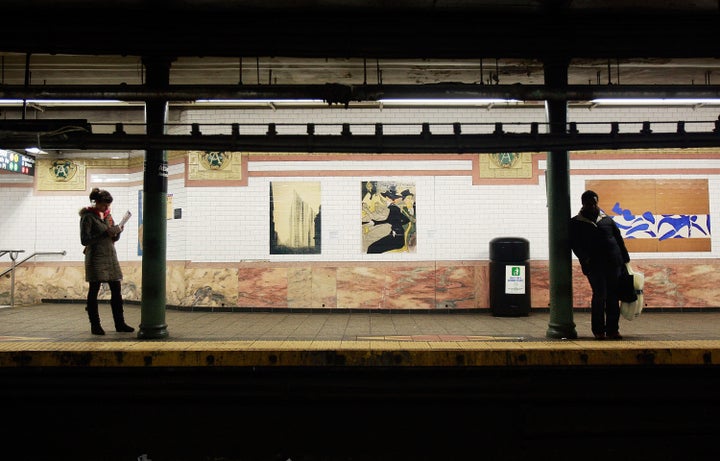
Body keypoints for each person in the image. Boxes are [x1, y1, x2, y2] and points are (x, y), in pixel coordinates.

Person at [569, 190, 630, 340]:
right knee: (600, 296)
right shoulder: (576, 223)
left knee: (613, 297)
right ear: (583, 204)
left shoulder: (607, 220)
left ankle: (612, 330)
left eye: (594, 203)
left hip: (614, 263)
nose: (592, 206)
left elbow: (618, 239)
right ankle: (598, 330)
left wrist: (625, 259)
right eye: (589, 203)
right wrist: (585, 259)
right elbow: (575, 244)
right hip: (594, 266)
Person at [79, 188, 134, 335]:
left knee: (116, 289)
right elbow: (84, 240)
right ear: (96, 202)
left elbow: (112, 237)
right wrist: (105, 233)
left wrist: (117, 232)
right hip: (96, 257)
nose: (107, 208)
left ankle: (120, 323)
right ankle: (95, 325)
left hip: (110, 256)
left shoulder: (108, 217)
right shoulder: (88, 217)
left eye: (108, 205)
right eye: (104, 205)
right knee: (94, 289)